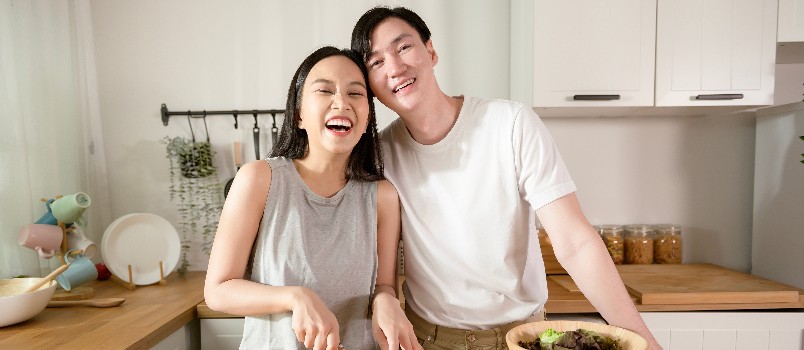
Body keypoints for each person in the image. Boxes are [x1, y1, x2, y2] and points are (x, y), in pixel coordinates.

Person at [351, 7, 664, 350]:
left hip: (524, 338)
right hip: (429, 340)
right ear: (370, 85)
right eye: (376, 62)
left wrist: (644, 342)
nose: (395, 67)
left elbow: (575, 243)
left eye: (403, 47)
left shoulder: (511, 124)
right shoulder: (381, 155)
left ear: (431, 51)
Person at [204, 46, 421, 350]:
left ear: (367, 117)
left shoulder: (382, 196)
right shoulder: (259, 179)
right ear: (299, 116)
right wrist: (295, 297)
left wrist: (387, 300)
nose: (341, 102)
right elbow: (218, 291)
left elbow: (383, 284)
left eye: (355, 94)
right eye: (324, 90)